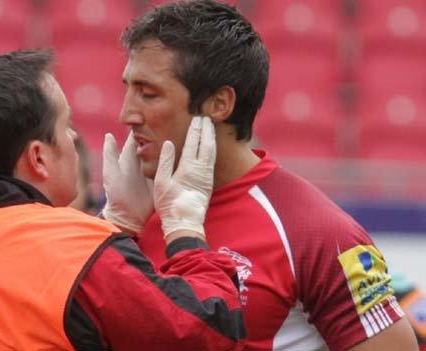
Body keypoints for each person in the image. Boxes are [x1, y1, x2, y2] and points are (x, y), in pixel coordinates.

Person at [0, 50, 246, 350]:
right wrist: (185, 229)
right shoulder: (73, 250)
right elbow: (209, 329)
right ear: (38, 157)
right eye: (65, 125)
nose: (75, 138)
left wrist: (118, 225)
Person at [100, 1, 419, 350]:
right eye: (127, 89)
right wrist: (114, 226)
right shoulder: (126, 215)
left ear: (219, 104)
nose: (126, 114)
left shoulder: (314, 231)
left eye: (148, 94)